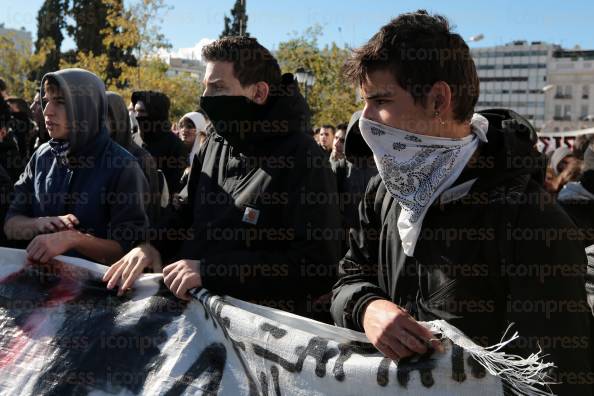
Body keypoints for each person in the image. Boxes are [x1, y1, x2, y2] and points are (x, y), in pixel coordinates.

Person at [330, 10, 591, 396]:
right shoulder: (383, 193)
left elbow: (558, 379)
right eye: (364, 103)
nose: (364, 120)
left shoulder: (530, 219)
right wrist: (366, 307)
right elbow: (348, 278)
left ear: (438, 100)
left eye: (380, 100)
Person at [105, 36, 341, 320]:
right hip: (192, 322)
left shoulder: (306, 161)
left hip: (255, 340)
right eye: (205, 88)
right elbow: (184, 209)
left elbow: (315, 266)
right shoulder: (216, 141)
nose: (206, 100)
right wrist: (151, 245)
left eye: (218, 88)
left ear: (258, 93)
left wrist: (211, 271)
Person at [3, 68, 149, 265]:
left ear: (85, 107)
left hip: (96, 292)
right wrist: (38, 224)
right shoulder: (41, 157)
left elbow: (128, 251)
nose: (47, 111)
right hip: (39, 285)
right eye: (46, 101)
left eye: (60, 102)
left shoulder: (123, 167)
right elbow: (11, 224)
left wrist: (74, 239)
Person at [106, 91, 161, 226]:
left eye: (104, 116)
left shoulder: (140, 158)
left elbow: (150, 211)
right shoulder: (94, 155)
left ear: (116, 118)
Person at [131, 90, 188, 194]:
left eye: (142, 111)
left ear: (156, 113)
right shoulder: (132, 140)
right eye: (135, 111)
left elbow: (175, 189)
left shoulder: (176, 147)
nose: (137, 116)